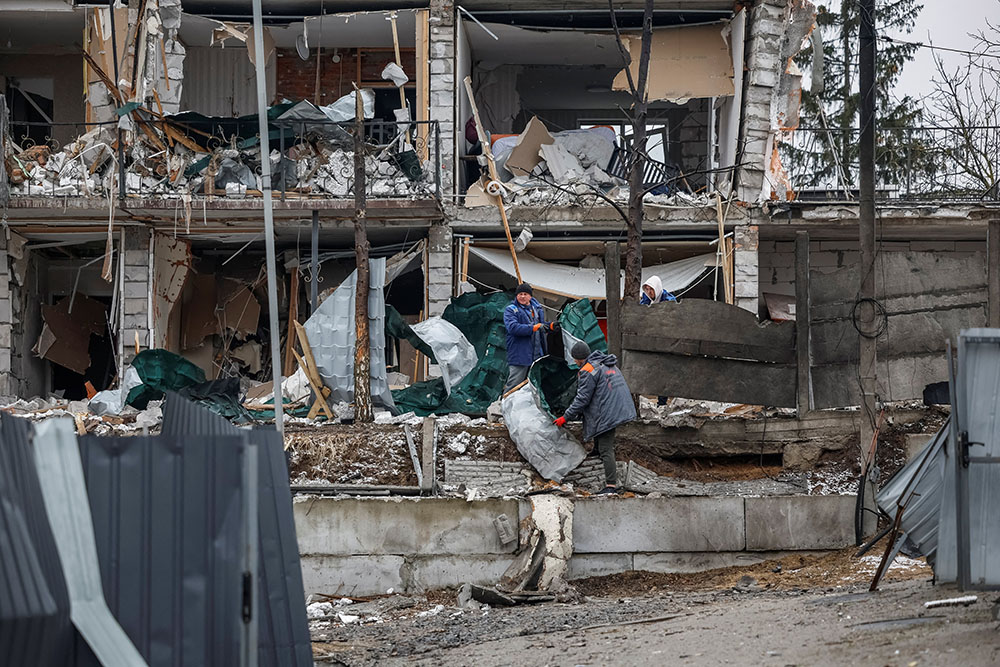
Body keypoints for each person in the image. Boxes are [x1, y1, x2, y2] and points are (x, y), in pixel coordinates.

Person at [553, 341, 637, 495]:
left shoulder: (588, 370)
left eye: (575, 360)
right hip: (619, 406)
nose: (575, 363)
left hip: (610, 410)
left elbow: (582, 399)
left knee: (607, 447)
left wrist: (565, 417)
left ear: (578, 358)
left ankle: (611, 486)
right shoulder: (603, 363)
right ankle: (597, 450)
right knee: (601, 432)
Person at [503, 282, 557, 392]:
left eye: (525, 294)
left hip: (537, 356)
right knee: (514, 385)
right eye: (520, 294)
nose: (522, 296)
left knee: (534, 387)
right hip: (520, 356)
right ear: (516, 296)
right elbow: (513, 328)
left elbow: (540, 325)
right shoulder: (511, 310)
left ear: (530, 296)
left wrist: (550, 326)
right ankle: (505, 406)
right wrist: (533, 328)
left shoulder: (537, 309)